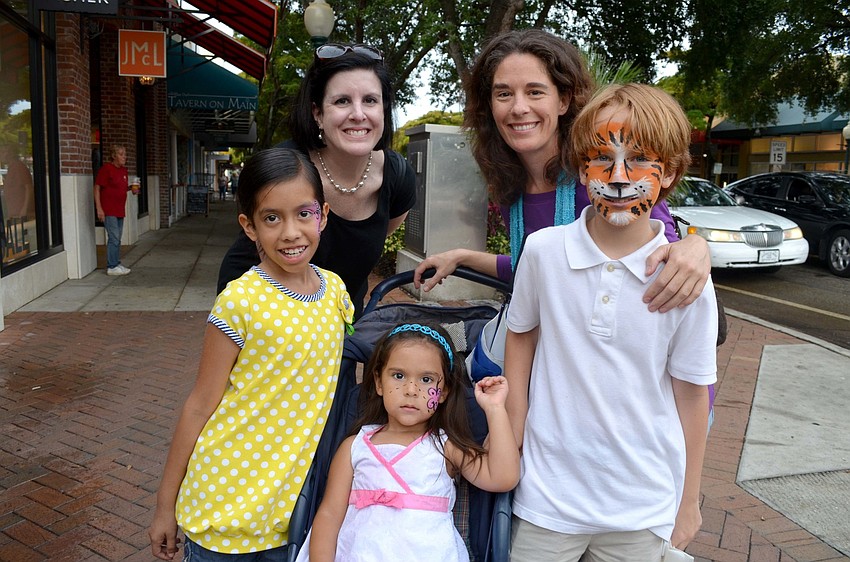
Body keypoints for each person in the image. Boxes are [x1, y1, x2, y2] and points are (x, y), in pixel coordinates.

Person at [505, 83, 717, 561]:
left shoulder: (686, 283)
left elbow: (692, 393)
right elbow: (521, 339)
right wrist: (512, 440)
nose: (619, 178)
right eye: (603, 159)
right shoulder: (544, 252)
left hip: (641, 508)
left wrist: (689, 500)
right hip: (546, 502)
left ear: (670, 173)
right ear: (582, 170)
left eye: (640, 160)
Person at [148, 148, 355, 560]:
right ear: (250, 226)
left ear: (324, 215)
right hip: (224, 508)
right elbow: (199, 405)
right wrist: (163, 507)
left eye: (304, 214)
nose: (291, 232)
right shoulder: (239, 300)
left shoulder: (335, 291)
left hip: (291, 512)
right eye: (272, 218)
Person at [413, 29, 710, 313]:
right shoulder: (510, 187)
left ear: (564, 100)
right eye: (503, 94)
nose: (518, 108)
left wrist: (696, 247)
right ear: (489, 106)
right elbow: (531, 265)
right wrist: (462, 257)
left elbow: (668, 259)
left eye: (535, 92)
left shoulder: (602, 180)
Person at [217, 43, 416, 318]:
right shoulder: (285, 166)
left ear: (383, 110)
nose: (358, 114)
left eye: (370, 100)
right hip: (268, 325)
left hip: (341, 330)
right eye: (342, 101)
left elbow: (374, 237)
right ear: (318, 114)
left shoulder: (398, 177)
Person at [299, 322, 519, 562]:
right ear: (379, 383)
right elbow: (330, 514)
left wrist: (495, 409)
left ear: (443, 392)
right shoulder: (355, 446)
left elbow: (502, 477)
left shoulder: (445, 447)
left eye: (426, 379)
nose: (411, 389)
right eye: (399, 376)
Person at [94, 145, 135, 276]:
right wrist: (99, 208)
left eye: (125, 154)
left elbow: (120, 189)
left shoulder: (124, 171)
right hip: (108, 209)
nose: (124, 157)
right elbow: (97, 188)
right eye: (121, 154)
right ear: (114, 156)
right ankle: (111, 266)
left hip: (119, 210)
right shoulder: (106, 169)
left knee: (118, 238)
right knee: (114, 237)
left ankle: (116, 263)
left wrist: (131, 189)